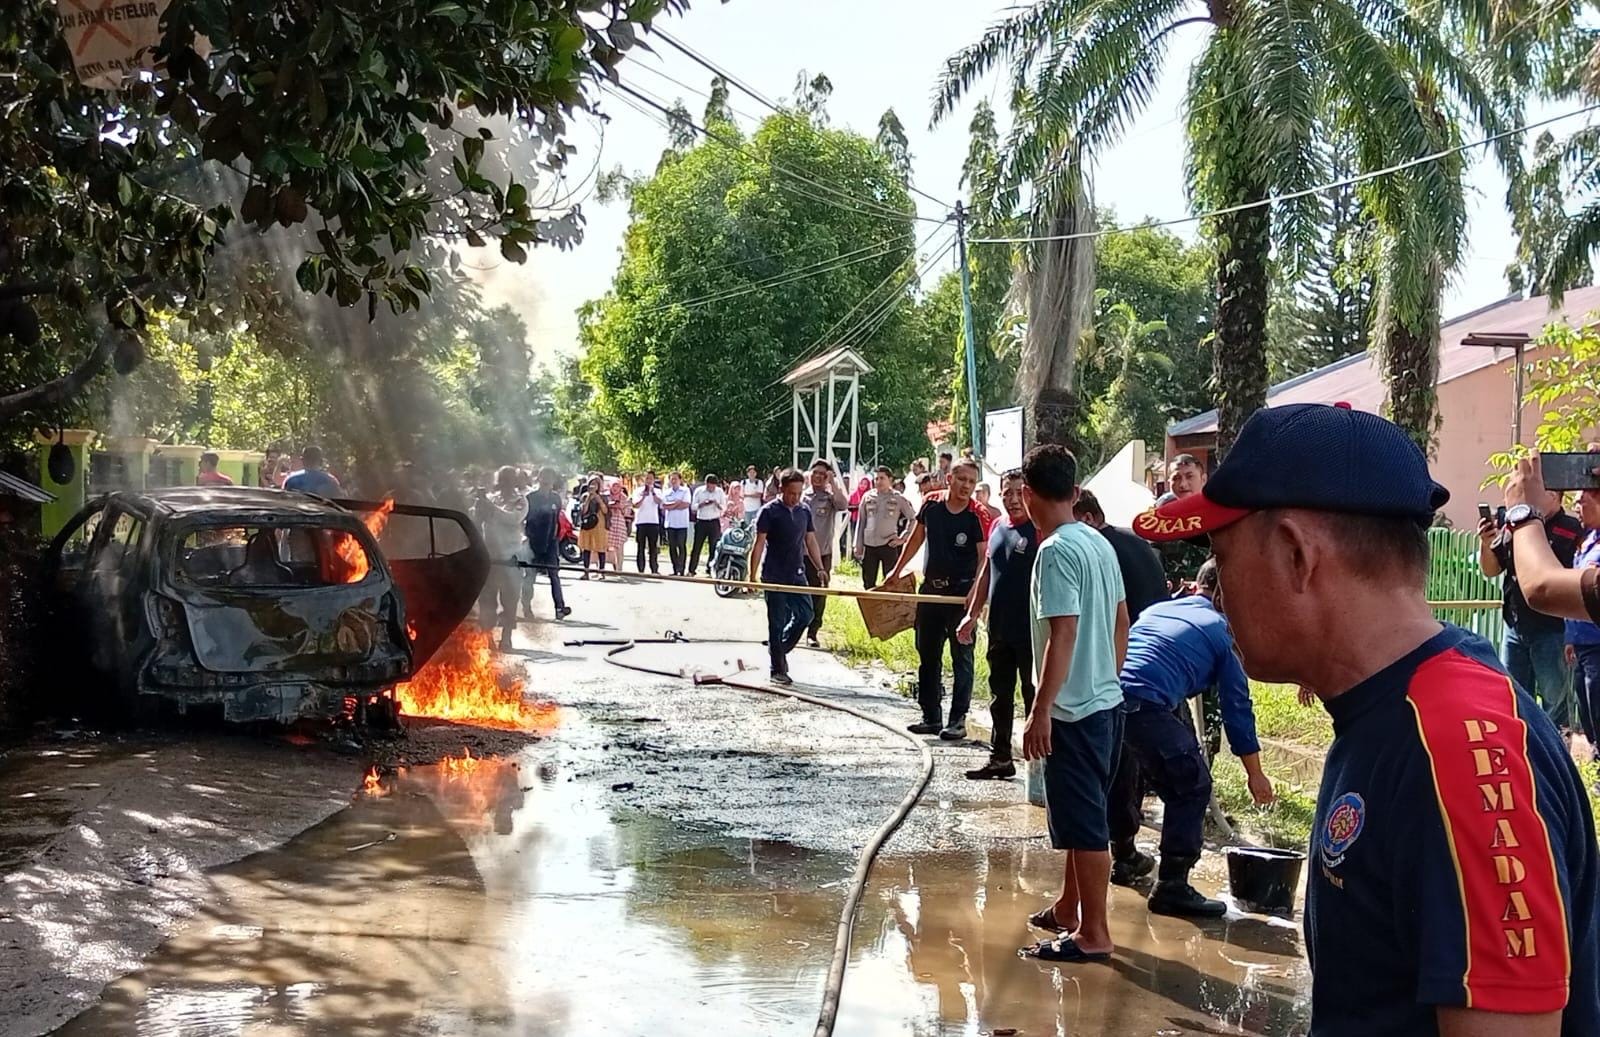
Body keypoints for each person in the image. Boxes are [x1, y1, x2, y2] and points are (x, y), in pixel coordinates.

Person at [1136, 404, 1600, 1034]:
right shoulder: (1387, 713)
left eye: (1222, 555)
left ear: (1297, 555)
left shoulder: (1459, 747)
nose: (1215, 591)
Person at [1018, 444, 1130, 964]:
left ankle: (1095, 933)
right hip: (1106, 702)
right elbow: (1120, 621)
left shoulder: (1055, 551)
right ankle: (1069, 908)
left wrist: (1041, 710)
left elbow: (1062, 635)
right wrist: (1108, 675)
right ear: (1076, 491)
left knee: (1086, 826)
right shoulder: (1099, 542)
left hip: (1075, 710)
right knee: (1083, 815)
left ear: (1027, 495)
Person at [1118, 559, 1275, 916]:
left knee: (1126, 774)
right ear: (1226, 595)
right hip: (1145, 703)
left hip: (1106, 698)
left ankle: (1124, 857)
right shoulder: (1221, 631)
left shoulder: (1160, 610)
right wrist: (1255, 774)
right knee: (1190, 784)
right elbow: (1238, 708)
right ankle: (1172, 885)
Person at [1073, 488, 1172, 885]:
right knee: (1148, 757)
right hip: (1161, 661)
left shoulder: (1099, 552)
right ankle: (1135, 843)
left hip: (1123, 664)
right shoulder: (1136, 544)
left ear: (1092, 518)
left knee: (1117, 762)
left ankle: (1123, 851)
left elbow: (1103, 618)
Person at [889, 458, 983, 740]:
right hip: (931, 591)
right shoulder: (931, 505)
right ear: (949, 479)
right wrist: (895, 572)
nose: (966, 486)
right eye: (962, 479)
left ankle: (957, 719)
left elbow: (983, 558)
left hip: (960, 596)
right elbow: (915, 539)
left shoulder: (976, 515)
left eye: (971, 481)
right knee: (927, 653)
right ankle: (930, 715)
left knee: (961, 657)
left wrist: (974, 594)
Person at [1479, 487, 1583, 731]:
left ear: (1555, 497)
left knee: (1554, 702)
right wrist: (1486, 544)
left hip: (1552, 629)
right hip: (1515, 627)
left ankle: (1555, 756)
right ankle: (1523, 753)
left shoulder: (1571, 528)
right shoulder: (1515, 526)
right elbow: (1491, 570)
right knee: (1514, 697)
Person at [956, 469, 1038, 779]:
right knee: (999, 695)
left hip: (1031, 631)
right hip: (1000, 628)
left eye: (1019, 492)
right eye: (1007, 493)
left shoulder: (1039, 529)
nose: (1014, 499)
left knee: (1033, 695)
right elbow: (986, 572)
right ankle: (1000, 757)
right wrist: (972, 613)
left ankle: (1040, 766)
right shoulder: (997, 526)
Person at [748, 469, 826, 686]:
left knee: (806, 614)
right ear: (782, 489)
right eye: (792, 493)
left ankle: (779, 649)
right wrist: (752, 576)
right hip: (774, 575)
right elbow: (759, 544)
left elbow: (810, 540)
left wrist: (820, 567)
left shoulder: (804, 511)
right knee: (777, 621)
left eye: (799, 493)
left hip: (797, 573)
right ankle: (778, 669)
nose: (796, 498)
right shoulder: (769, 512)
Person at [476, 465, 528, 651]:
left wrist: (491, 508)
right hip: (489, 558)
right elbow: (477, 522)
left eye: (509, 480)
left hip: (510, 557)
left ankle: (506, 637)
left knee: (510, 600)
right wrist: (479, 508)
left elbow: (514, 519)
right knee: (487, 600)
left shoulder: (520, 501)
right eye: (502, 480)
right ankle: (487, 637)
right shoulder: (490, 499)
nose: (505, 484)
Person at [801, 460, 848, 647]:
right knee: (794, 591)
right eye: (815, 473)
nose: (818, 477)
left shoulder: (830, 497)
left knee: (819, 593)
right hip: (799, 552)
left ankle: (813, 632)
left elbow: (843, 505)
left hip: (822, 553)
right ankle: (793, 627)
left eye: (822, 473)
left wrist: (833, 482)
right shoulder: (802, 495)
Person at [853, 466, 915, 589]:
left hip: (888, 544)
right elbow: (861, 521)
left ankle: (890, 607)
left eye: (882, 478)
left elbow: (913, 518)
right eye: (876, 479)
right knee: (868, 581)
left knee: (890, 580)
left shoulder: (898, 498)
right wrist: (857, 545)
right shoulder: (867, 497)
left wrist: (903, 538)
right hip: (870, 545)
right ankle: (871, 606)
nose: (879, 482)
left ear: (890, 480)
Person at [522, 466, 571, 621]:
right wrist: (526, 538)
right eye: (544, 477)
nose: (547, 480)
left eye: (550, 477)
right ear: (539, 479)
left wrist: (556, 537)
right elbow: (522, 520)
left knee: (554, 575)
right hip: (534, 543)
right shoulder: (530, 498)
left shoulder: (555, 498)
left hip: (551, 543)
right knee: (530, 576)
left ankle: (560, 607)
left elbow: (557, 520)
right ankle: (526, 607)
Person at [689, 474, 728, 576]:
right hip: (701, 521)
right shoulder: (699, 491)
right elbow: (693, 507)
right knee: (697, 546)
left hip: (714, 521)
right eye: (710, 486)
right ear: (706, 484)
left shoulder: (719, 492)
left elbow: (724, 507)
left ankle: (710, 568)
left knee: (714, 547)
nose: (711, 489)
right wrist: (702, 504)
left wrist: (716, 504)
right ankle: (691, 569)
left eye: (713, 486)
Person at [576, 475, 609, 580]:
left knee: (601, 548)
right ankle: (586, 572)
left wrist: (597, 498)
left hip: (599, 524)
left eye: (596, 484)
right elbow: (584, 511)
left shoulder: (603, 497)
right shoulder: (585, 496)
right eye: (592, 483)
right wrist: (589, 498)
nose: (593, 486)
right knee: (586, 547)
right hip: (588, 524)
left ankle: (602, 572)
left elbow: (605, 511)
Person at [631, 471, 664, 574]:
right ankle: (641, 568)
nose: (648, 480)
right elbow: (635, 505)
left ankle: (654, 568)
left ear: (653, 479)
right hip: (641, 521)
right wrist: (644, 496)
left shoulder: (658, 491)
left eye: (650, 478)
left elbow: (659, 502)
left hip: (653, 522)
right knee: (640, 546)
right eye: (646, 478)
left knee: (653, 547)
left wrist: (652, 492)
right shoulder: (638, 491)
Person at [661, 471, 692, 575]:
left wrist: (672, 506)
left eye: (675, 479)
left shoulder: (685, 491)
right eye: (672, 479)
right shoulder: (666, 492)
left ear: (680, 480)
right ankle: (675, 568)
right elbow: (664, 506)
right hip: (670, 523)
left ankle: (681, 569)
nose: (673, 481)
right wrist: (677, 503)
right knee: (672, 546)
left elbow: (686, 505)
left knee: (681, 545)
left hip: (682, 523)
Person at [605, 481, 631, 576]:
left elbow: (627, 512)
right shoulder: (606, 496)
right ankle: (603, 568)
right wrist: (610, 505)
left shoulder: (624, 497)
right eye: (613, 486)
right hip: (607, 522)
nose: (615, 488)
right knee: (605, 546)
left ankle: (619, 569)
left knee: (619, 548)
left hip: (619, 523)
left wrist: (620, 507)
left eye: (617, 486)